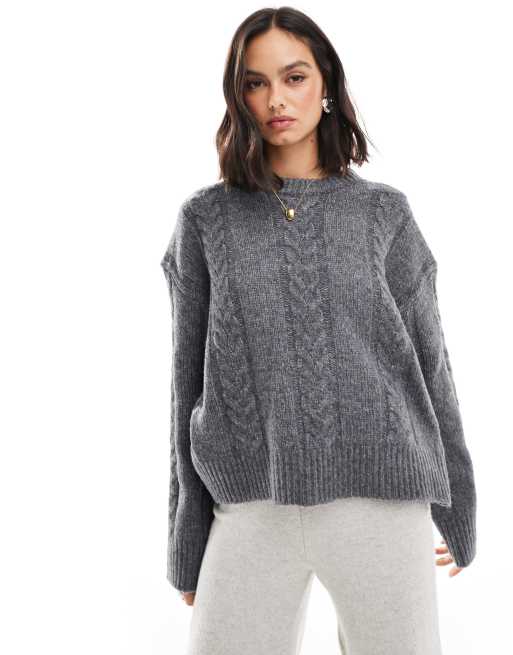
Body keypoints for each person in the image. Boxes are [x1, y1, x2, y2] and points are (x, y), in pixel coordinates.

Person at [160, 7, 477, 654]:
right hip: (250, 506)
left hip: (380, 502)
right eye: (254, 83)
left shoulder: (383, 214)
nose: (276, 99)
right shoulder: (205, 221)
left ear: (325, 83)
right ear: (237, 96)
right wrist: (186, 537)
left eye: (294, 77)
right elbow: (185, 382)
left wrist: (458, 504)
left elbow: (431, 363)